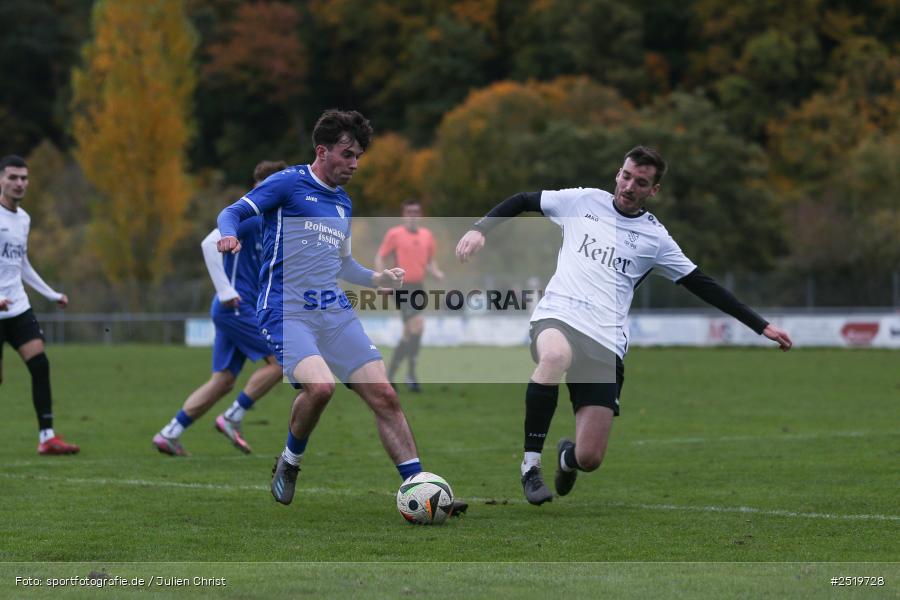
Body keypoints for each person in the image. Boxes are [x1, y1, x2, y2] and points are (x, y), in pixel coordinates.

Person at [455, 146, 793, 505]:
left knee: (590, 458)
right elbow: (524, 199)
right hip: (559, 316)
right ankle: (530, 466)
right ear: (618, 174)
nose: (630, 186)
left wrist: (760, 325)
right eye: (626, 176)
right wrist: (481, 229)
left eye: (641, 182)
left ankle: (566, 458)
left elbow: (702, 283)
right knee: (553, 357)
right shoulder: (583, 201)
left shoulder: (655, 239)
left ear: (654, 190)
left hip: (605, 340)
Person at [216, 110, 466, 515]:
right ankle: (290, 461)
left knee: (385, 394)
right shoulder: (288, 183)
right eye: (347, 155)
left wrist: (377, 278)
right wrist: (229, 234)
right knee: (321, 387)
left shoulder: (343, 204)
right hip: (285, 309)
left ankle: (420, 487)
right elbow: (232, 212)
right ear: (322, 151)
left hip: (333, 310)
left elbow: (344, 264)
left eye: (359, 157)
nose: (354, 164)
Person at [153, 161, 288, 456]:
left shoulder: (271, 224)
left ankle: (170, 433)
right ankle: (232, 416)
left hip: (235, 309)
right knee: (282, 360)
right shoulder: (251, 218)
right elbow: (209, 243)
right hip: (237, 307)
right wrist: (226, 290)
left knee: (223, 380)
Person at [0, 155, 79, 455]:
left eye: (24, 178)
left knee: (40, 364)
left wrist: (51, 294)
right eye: (13, 177)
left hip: (18, 307)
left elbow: (21, 264)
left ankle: (47, 437)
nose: (19, 183)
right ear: (1, 180)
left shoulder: (24, 219)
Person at [375, 200, 444, 391]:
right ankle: (411, 375)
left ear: (420, 215)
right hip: (400, 286)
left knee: (410, 333)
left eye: (416, 212)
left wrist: (436, 272)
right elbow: (380, 257)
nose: (413, 215)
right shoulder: (395, 234)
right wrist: (383, 280)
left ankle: (389, 376)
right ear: (403, 215)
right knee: (417, 325)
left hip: (418, 287)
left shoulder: (427, 235)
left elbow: (430, 261)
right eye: (409, 212)